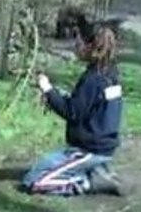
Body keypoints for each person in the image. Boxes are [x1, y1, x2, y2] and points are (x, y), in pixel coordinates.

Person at [21, 23, 124, 196]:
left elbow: (72, 112)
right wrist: (56, 95)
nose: (76, 47)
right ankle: (95, 171)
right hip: (102, 147)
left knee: (33, 180)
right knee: (44, 165)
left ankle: (87, 183)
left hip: (88, 149)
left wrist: (47, 89)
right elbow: (85, 106)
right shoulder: (109, 73)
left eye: (79, 42)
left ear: (91, 46)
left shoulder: (93, 79)